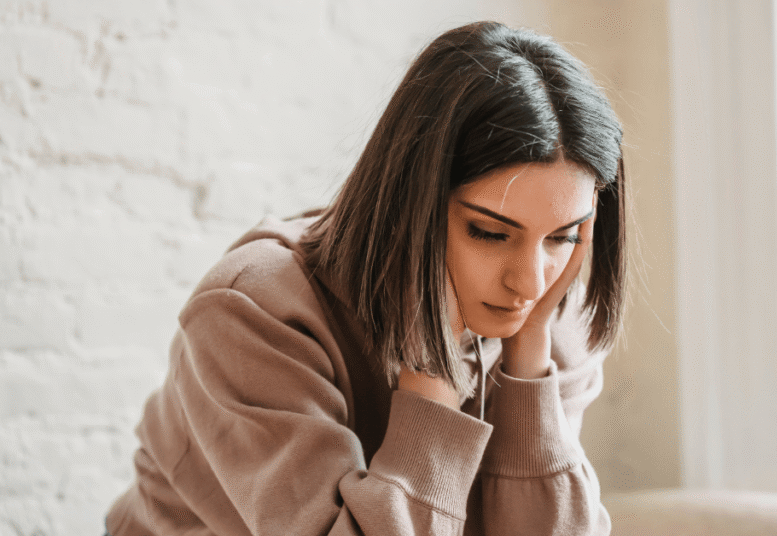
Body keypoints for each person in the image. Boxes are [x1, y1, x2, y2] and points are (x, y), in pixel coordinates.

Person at [105, 20, 626, 536]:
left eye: (562, 236)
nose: (531, 284)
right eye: (490, 232)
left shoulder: (552, 320)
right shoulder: (252, 314)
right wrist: (430, 372)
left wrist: (529, 369)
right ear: (410, 198)